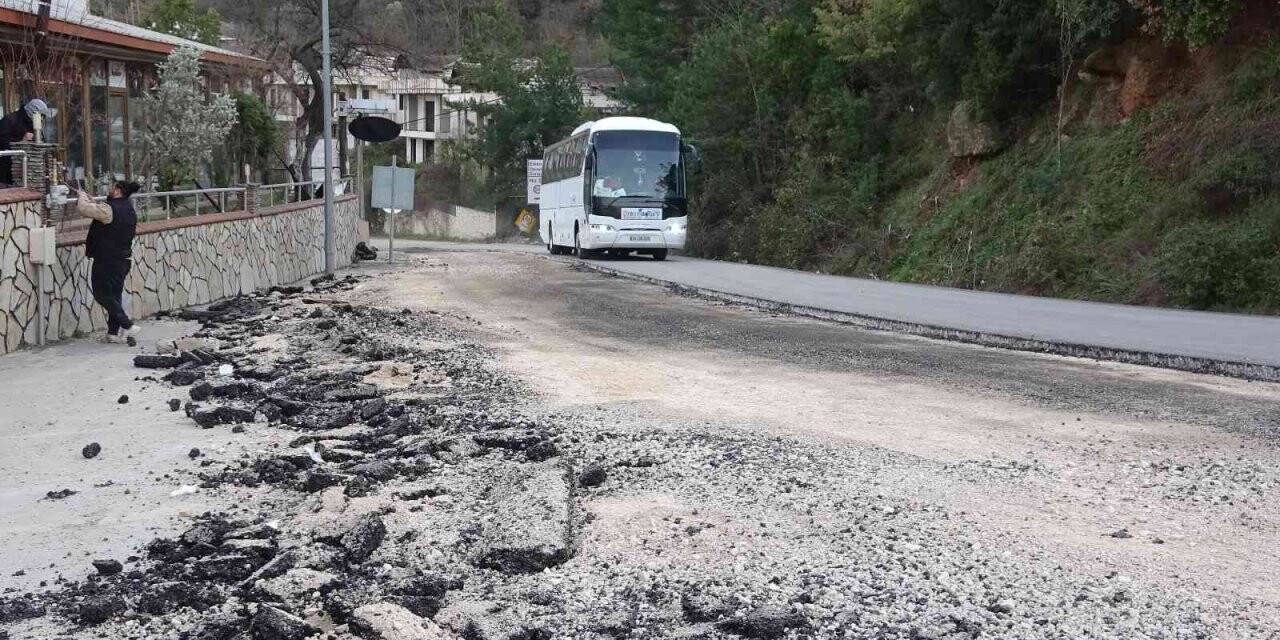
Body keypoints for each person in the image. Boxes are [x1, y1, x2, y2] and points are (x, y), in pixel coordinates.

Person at [78, 181, 142, 345]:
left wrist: (82, 197)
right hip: (123, 260)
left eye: (113, 187)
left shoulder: (109, 209)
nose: (110, 190)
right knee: (114, 296)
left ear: (118, 191)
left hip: (107, 260)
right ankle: (113, 333)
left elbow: (84, 209)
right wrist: (94, 202)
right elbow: (104, 214)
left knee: (101, 294)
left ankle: (127, 325)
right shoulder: (128, 208)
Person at [0, 99, 53, 186]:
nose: (42, 119)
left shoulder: (32, 123)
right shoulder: (10, 120)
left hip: (29, 169)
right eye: (41, 116)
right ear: (34, 113)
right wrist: (21, 141)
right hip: (7, 170)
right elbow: (2, 142)